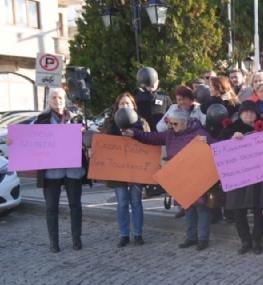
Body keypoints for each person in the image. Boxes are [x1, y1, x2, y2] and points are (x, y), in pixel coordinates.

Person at [125, 109, 217, 251]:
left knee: (202, 208)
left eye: (175, 124)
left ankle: (203, 238)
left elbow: (217, 146)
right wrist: (135, 134)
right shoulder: (170, 135)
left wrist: (209, 142)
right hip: (182, 178)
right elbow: (152, 137)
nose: (171, 126)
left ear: (185, 122)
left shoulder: (200, 133)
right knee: (188, 208)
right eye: (170, 123)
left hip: (199, 177)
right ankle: (191, 237)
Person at [17, 88, 89, 253]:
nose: (57, 101)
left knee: (75, 205)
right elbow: (27, 138)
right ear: (49, 101)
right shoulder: (41, 119)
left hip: (73, 169)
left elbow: (87, 140)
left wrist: (85, 138)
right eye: (54, 98)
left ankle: (76, 239)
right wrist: (12, 140)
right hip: (51, 170)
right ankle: (53, 241)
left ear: (65, 100)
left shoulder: (76, 118)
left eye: (60, 98)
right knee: (51, 207)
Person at [100, 93, 150, 247]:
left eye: (128, 103)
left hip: (136, 169)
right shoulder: (111, 125)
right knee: (122, 203)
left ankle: (138, 234)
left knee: (136, 201)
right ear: (117, 107)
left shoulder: (142, 123)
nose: (125, 106)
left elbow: (150, 142)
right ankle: (124, 235)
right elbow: (102, 145)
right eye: (122, 104)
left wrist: (136, 135)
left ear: (133, 106)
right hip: (118, 170)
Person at [219, 101, 263, 254]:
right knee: (237, 207)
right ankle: (245, 240)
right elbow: (220, 144)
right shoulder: (231, 128)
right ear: (240, 114)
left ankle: (256, 240)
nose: (249, 114)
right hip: (238, 173)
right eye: (246, 111)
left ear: (256, 114)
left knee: (259, 206)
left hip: (259, 172)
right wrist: (231, 138)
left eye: (252, 112)